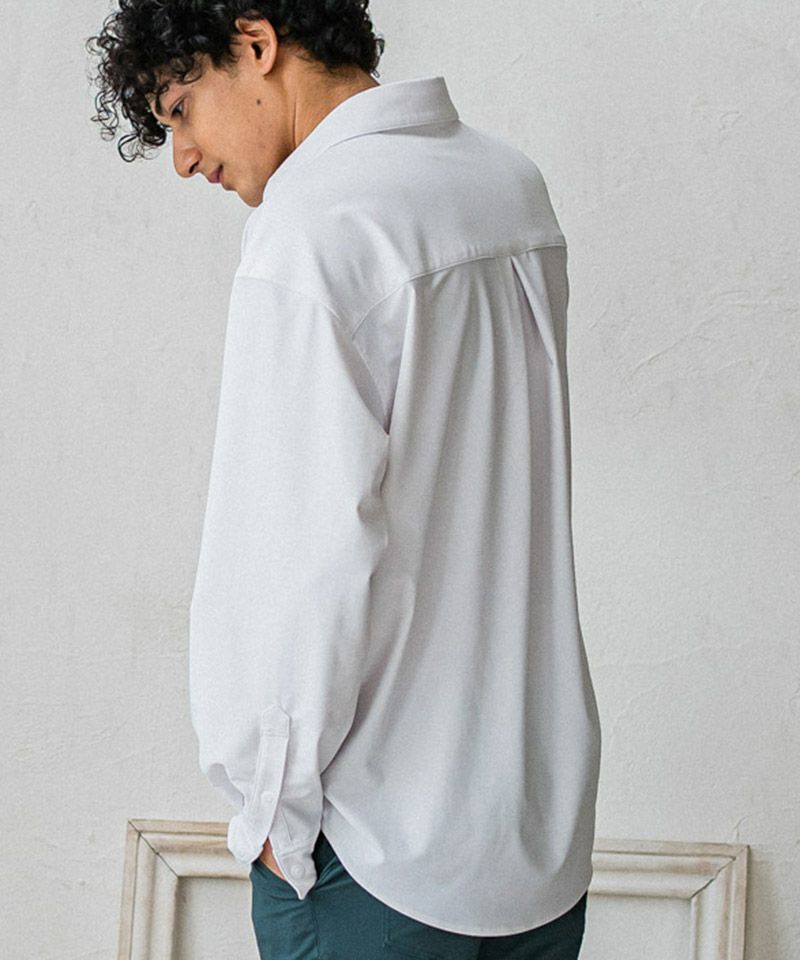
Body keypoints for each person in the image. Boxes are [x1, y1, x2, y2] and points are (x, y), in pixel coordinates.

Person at [87, 3, 602, 958]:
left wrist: (271, 816)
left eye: (181, 108)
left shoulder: (313, 227)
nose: (184, 158)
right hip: (535, 847)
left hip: (370, 860)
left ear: (255, 44)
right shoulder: (509, 185)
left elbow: (297, 567)